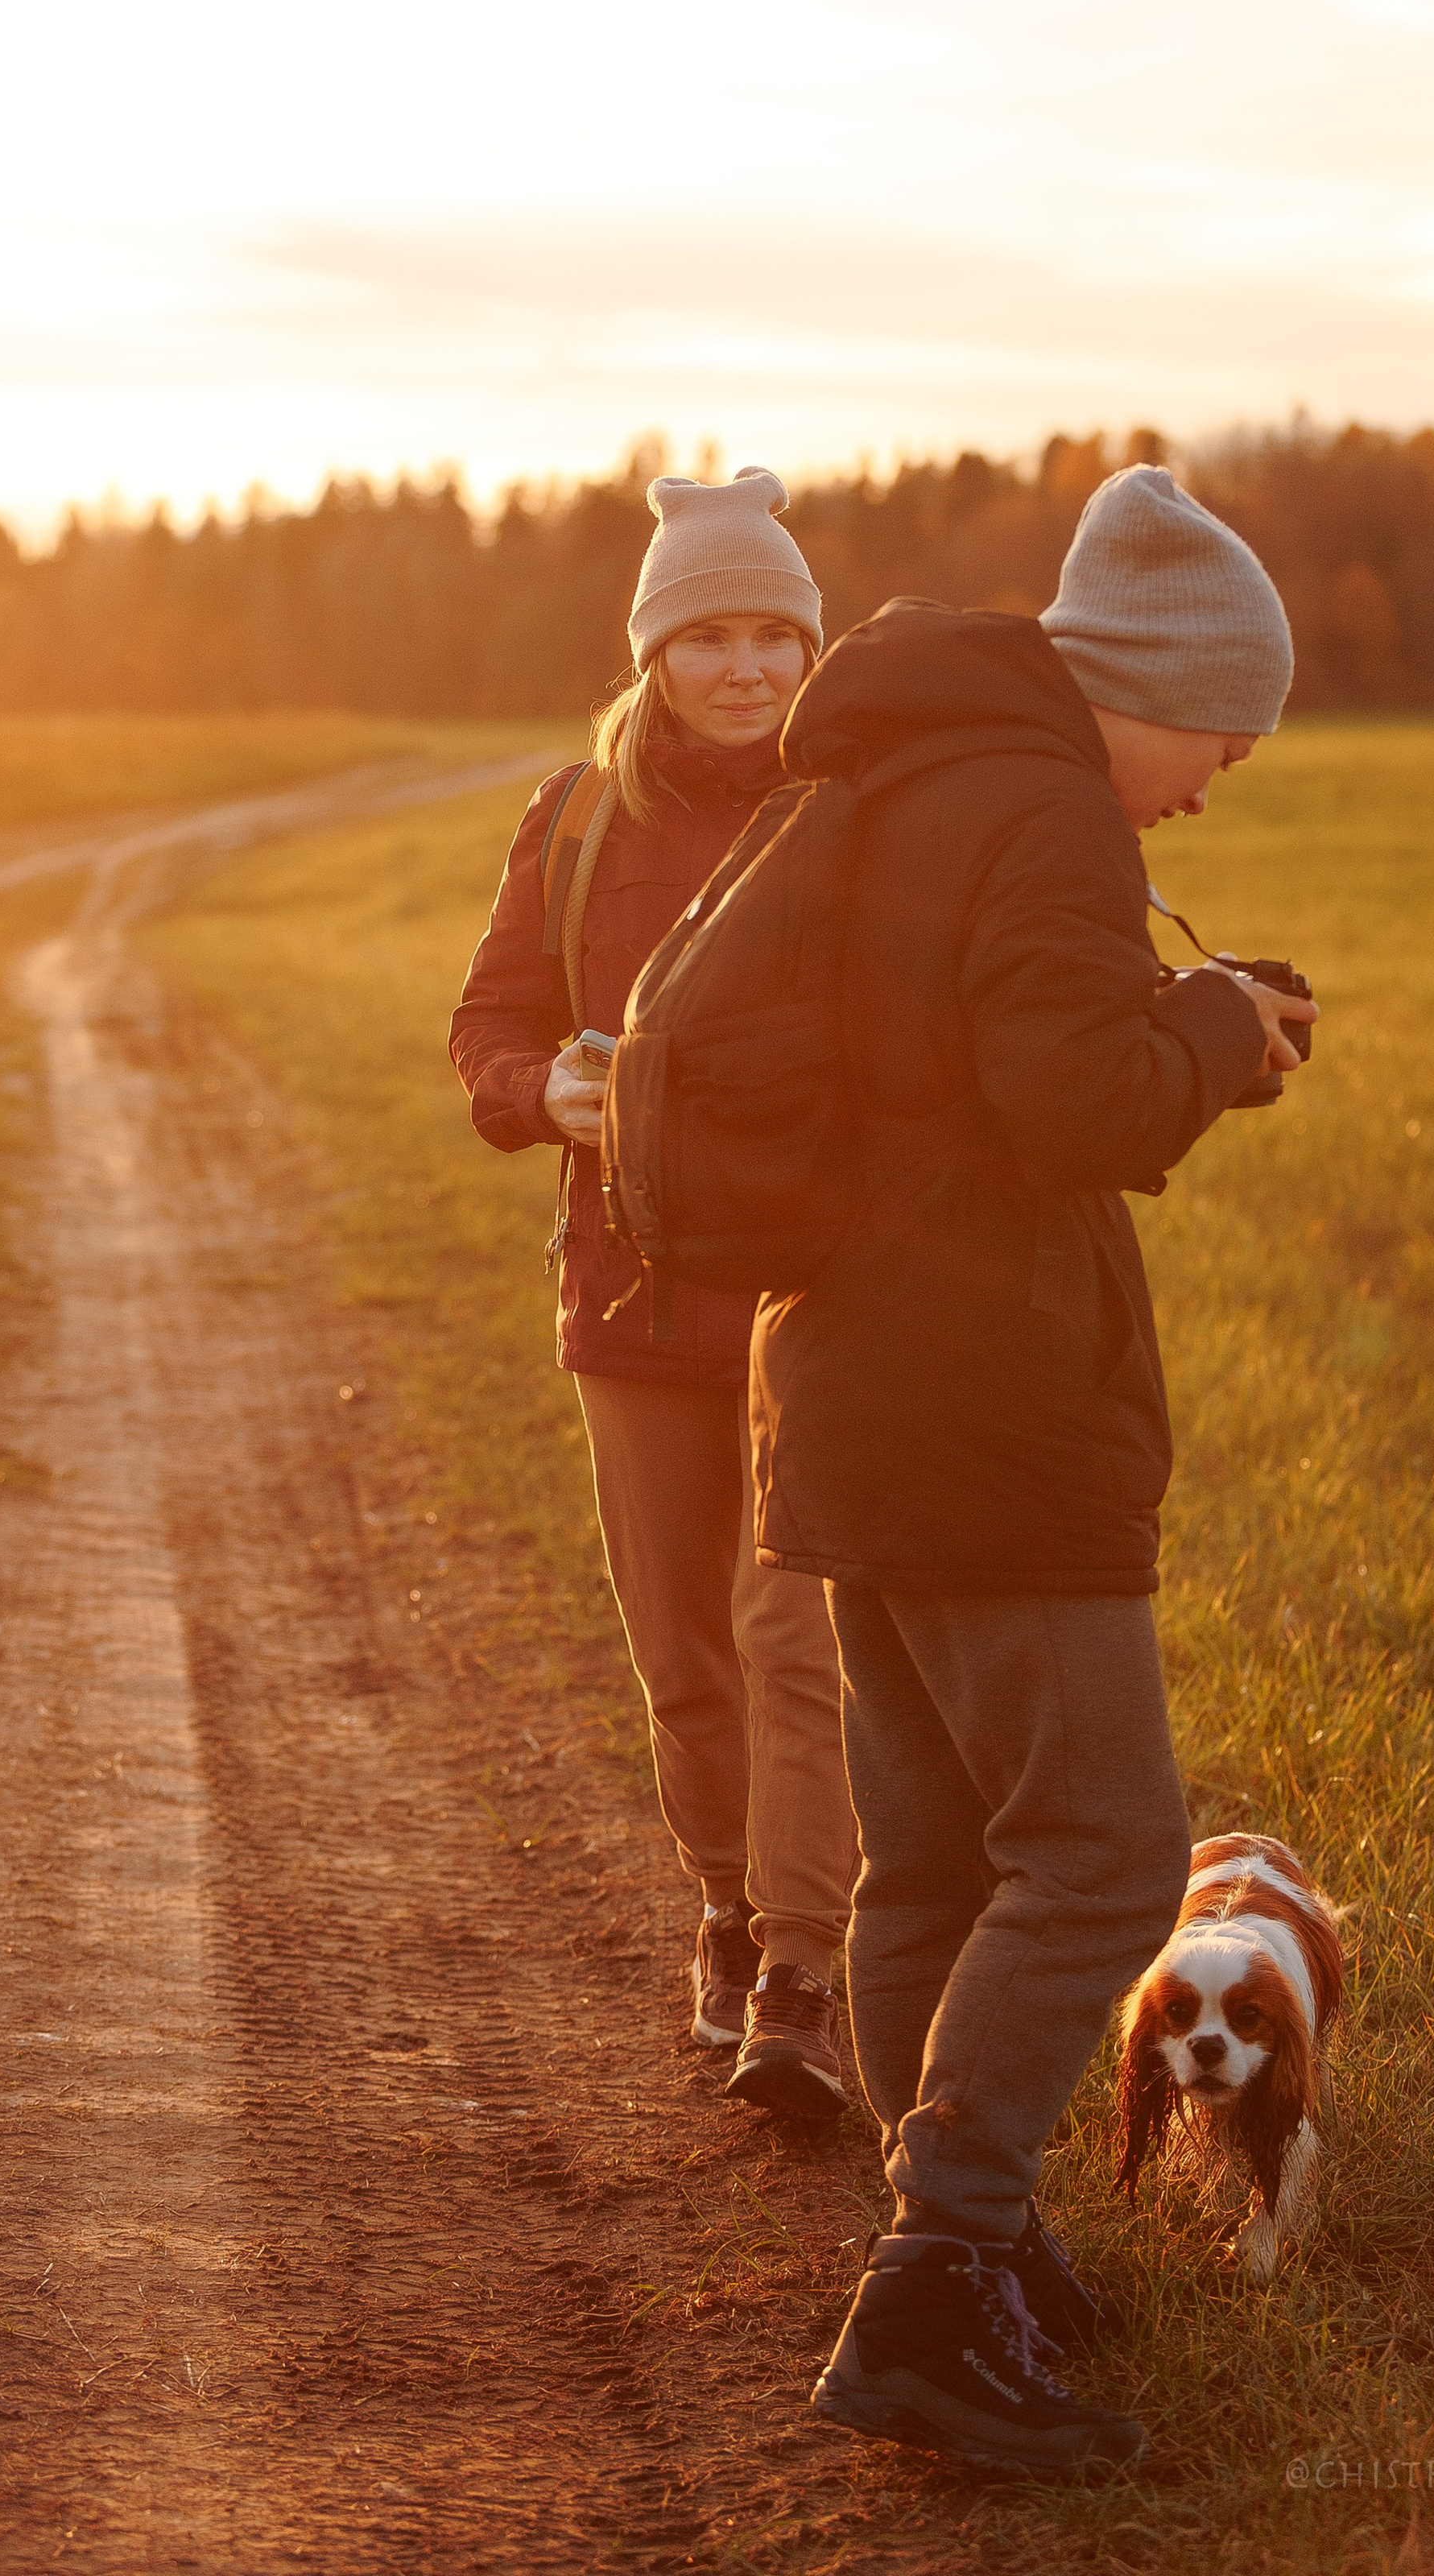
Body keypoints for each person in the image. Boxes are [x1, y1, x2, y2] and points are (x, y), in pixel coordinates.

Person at [754, 465, 1318, 2475]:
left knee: (931, 1861)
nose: (1216, 775)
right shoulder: (1044, 815)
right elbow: (1060, 1090)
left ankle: (952, 2256)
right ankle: (933, 2277)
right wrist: (1215, 1038)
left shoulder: (912, 775)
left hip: (848, 1384)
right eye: (1217, 730)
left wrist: (1169, 1007)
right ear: (1139, 686)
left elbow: (957, 1069)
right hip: (987, 1407)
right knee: (1094, 1852)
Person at [451, 468, 858, 2115]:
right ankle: (722, 1906)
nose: (747, 667)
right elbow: (487, 1020)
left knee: (791, 1647)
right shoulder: (573, 821)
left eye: (775, 632)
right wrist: (531, 1085)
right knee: (684, 1659)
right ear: (652, 649)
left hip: (815, 1299)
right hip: (624, 1301)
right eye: (710, 635)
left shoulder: (853, 804)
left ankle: (802, 1980)